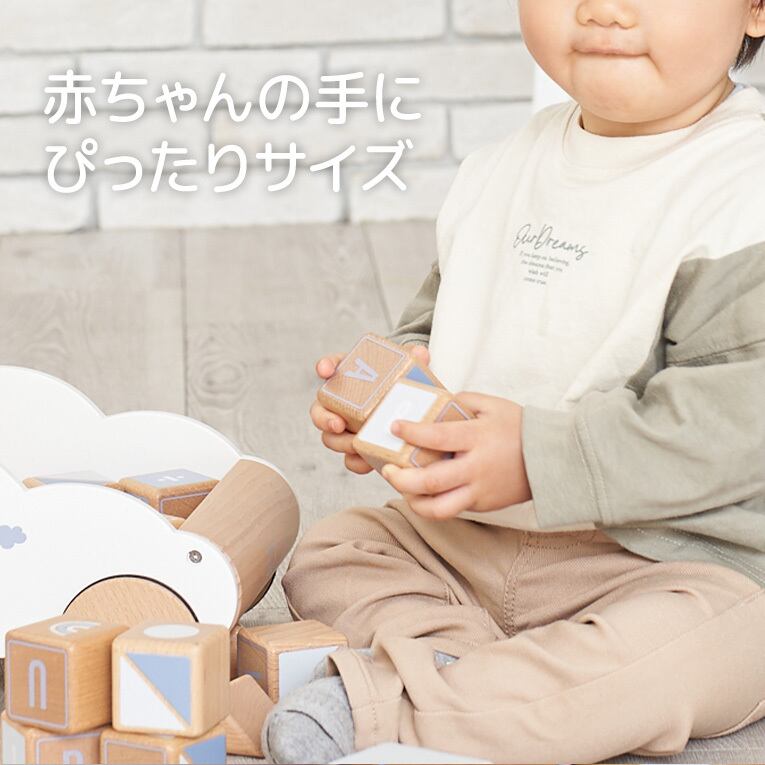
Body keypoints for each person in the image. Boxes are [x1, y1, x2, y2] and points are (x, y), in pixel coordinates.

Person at [262, 0, 765, 762]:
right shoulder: (503, 168)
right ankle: (468, 678)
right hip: (470, 542)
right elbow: (440, 323)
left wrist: (535, 457)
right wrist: (392, 396)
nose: (602, 10)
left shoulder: (742, 191)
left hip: (673, 562)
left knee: (695, 648)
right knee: (332, 552)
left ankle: (394, 708)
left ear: (754, 8)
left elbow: (730, 429)